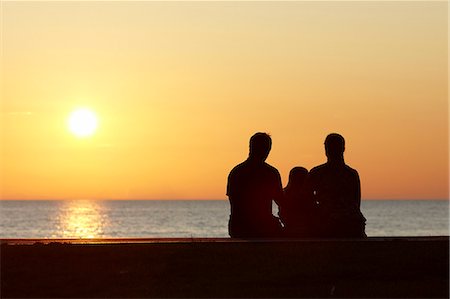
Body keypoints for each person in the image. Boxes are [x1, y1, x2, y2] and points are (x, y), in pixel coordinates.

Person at [305, 133, 366, 238]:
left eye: (332, 147)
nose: (330, 150)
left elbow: (356, 202)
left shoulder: (350, 174)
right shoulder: (350, 174)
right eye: (329, 147)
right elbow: (307, 199)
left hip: (340, 222)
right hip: (332, 221)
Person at [226, 132, 283, 238]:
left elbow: (234, 202)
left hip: (238, 227)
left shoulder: (236, 172)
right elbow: (281, 201)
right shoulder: (270, 173)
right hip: (261, 227)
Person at [279, 166, 318, 237]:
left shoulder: (285, 194)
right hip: (307, 230)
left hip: (289, 229)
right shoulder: (308, 196)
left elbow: (282, 214)